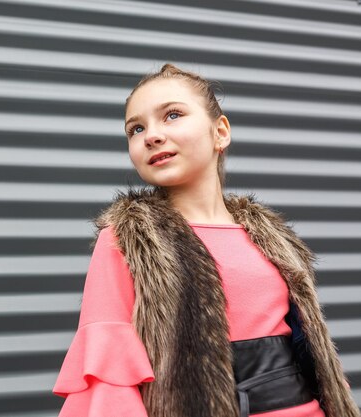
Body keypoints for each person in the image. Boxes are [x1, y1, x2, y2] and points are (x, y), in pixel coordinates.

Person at [52, 63, 359, 417]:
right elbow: (110, 379)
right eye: (136, 128)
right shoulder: (130, 238)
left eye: (172, 115)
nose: (151, 135)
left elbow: (315, 357)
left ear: (220, 132)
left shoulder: (273, 238)